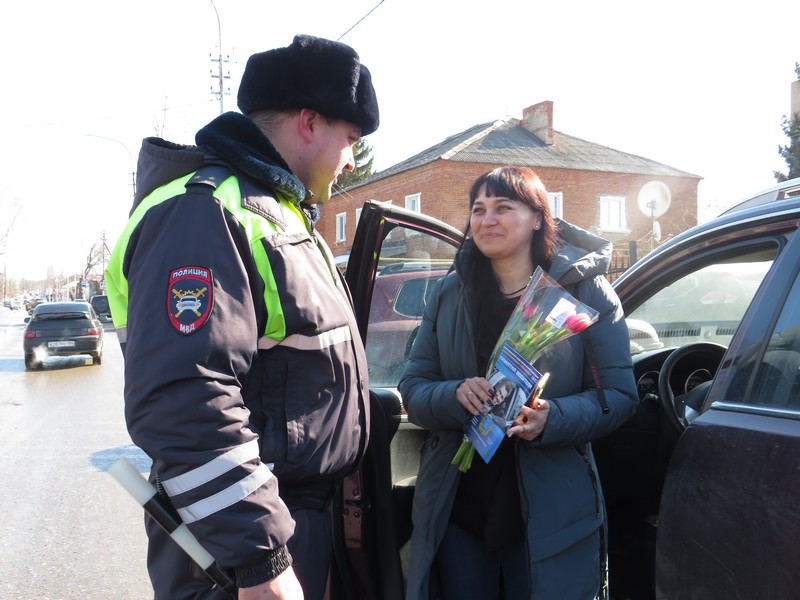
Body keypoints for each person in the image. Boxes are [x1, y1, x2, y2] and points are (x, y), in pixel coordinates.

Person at [105, 34, 379, 600]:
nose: (351, 160)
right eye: (349, 138)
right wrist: (264, 561)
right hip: (232, 553)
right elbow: (185, 398)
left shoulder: (271, 210)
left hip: (279, 523)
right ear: (309, 123)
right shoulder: (204, 209)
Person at [398, 166, 638, 600]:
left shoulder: (587, 294)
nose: (487, 220)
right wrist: (452, 394)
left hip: (550, 515)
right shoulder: (450, 293)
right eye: (478, 209)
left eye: (503, 208)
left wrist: (554, 417)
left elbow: (619, 397)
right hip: (460, 507)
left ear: (537, 218)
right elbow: (414, 387)